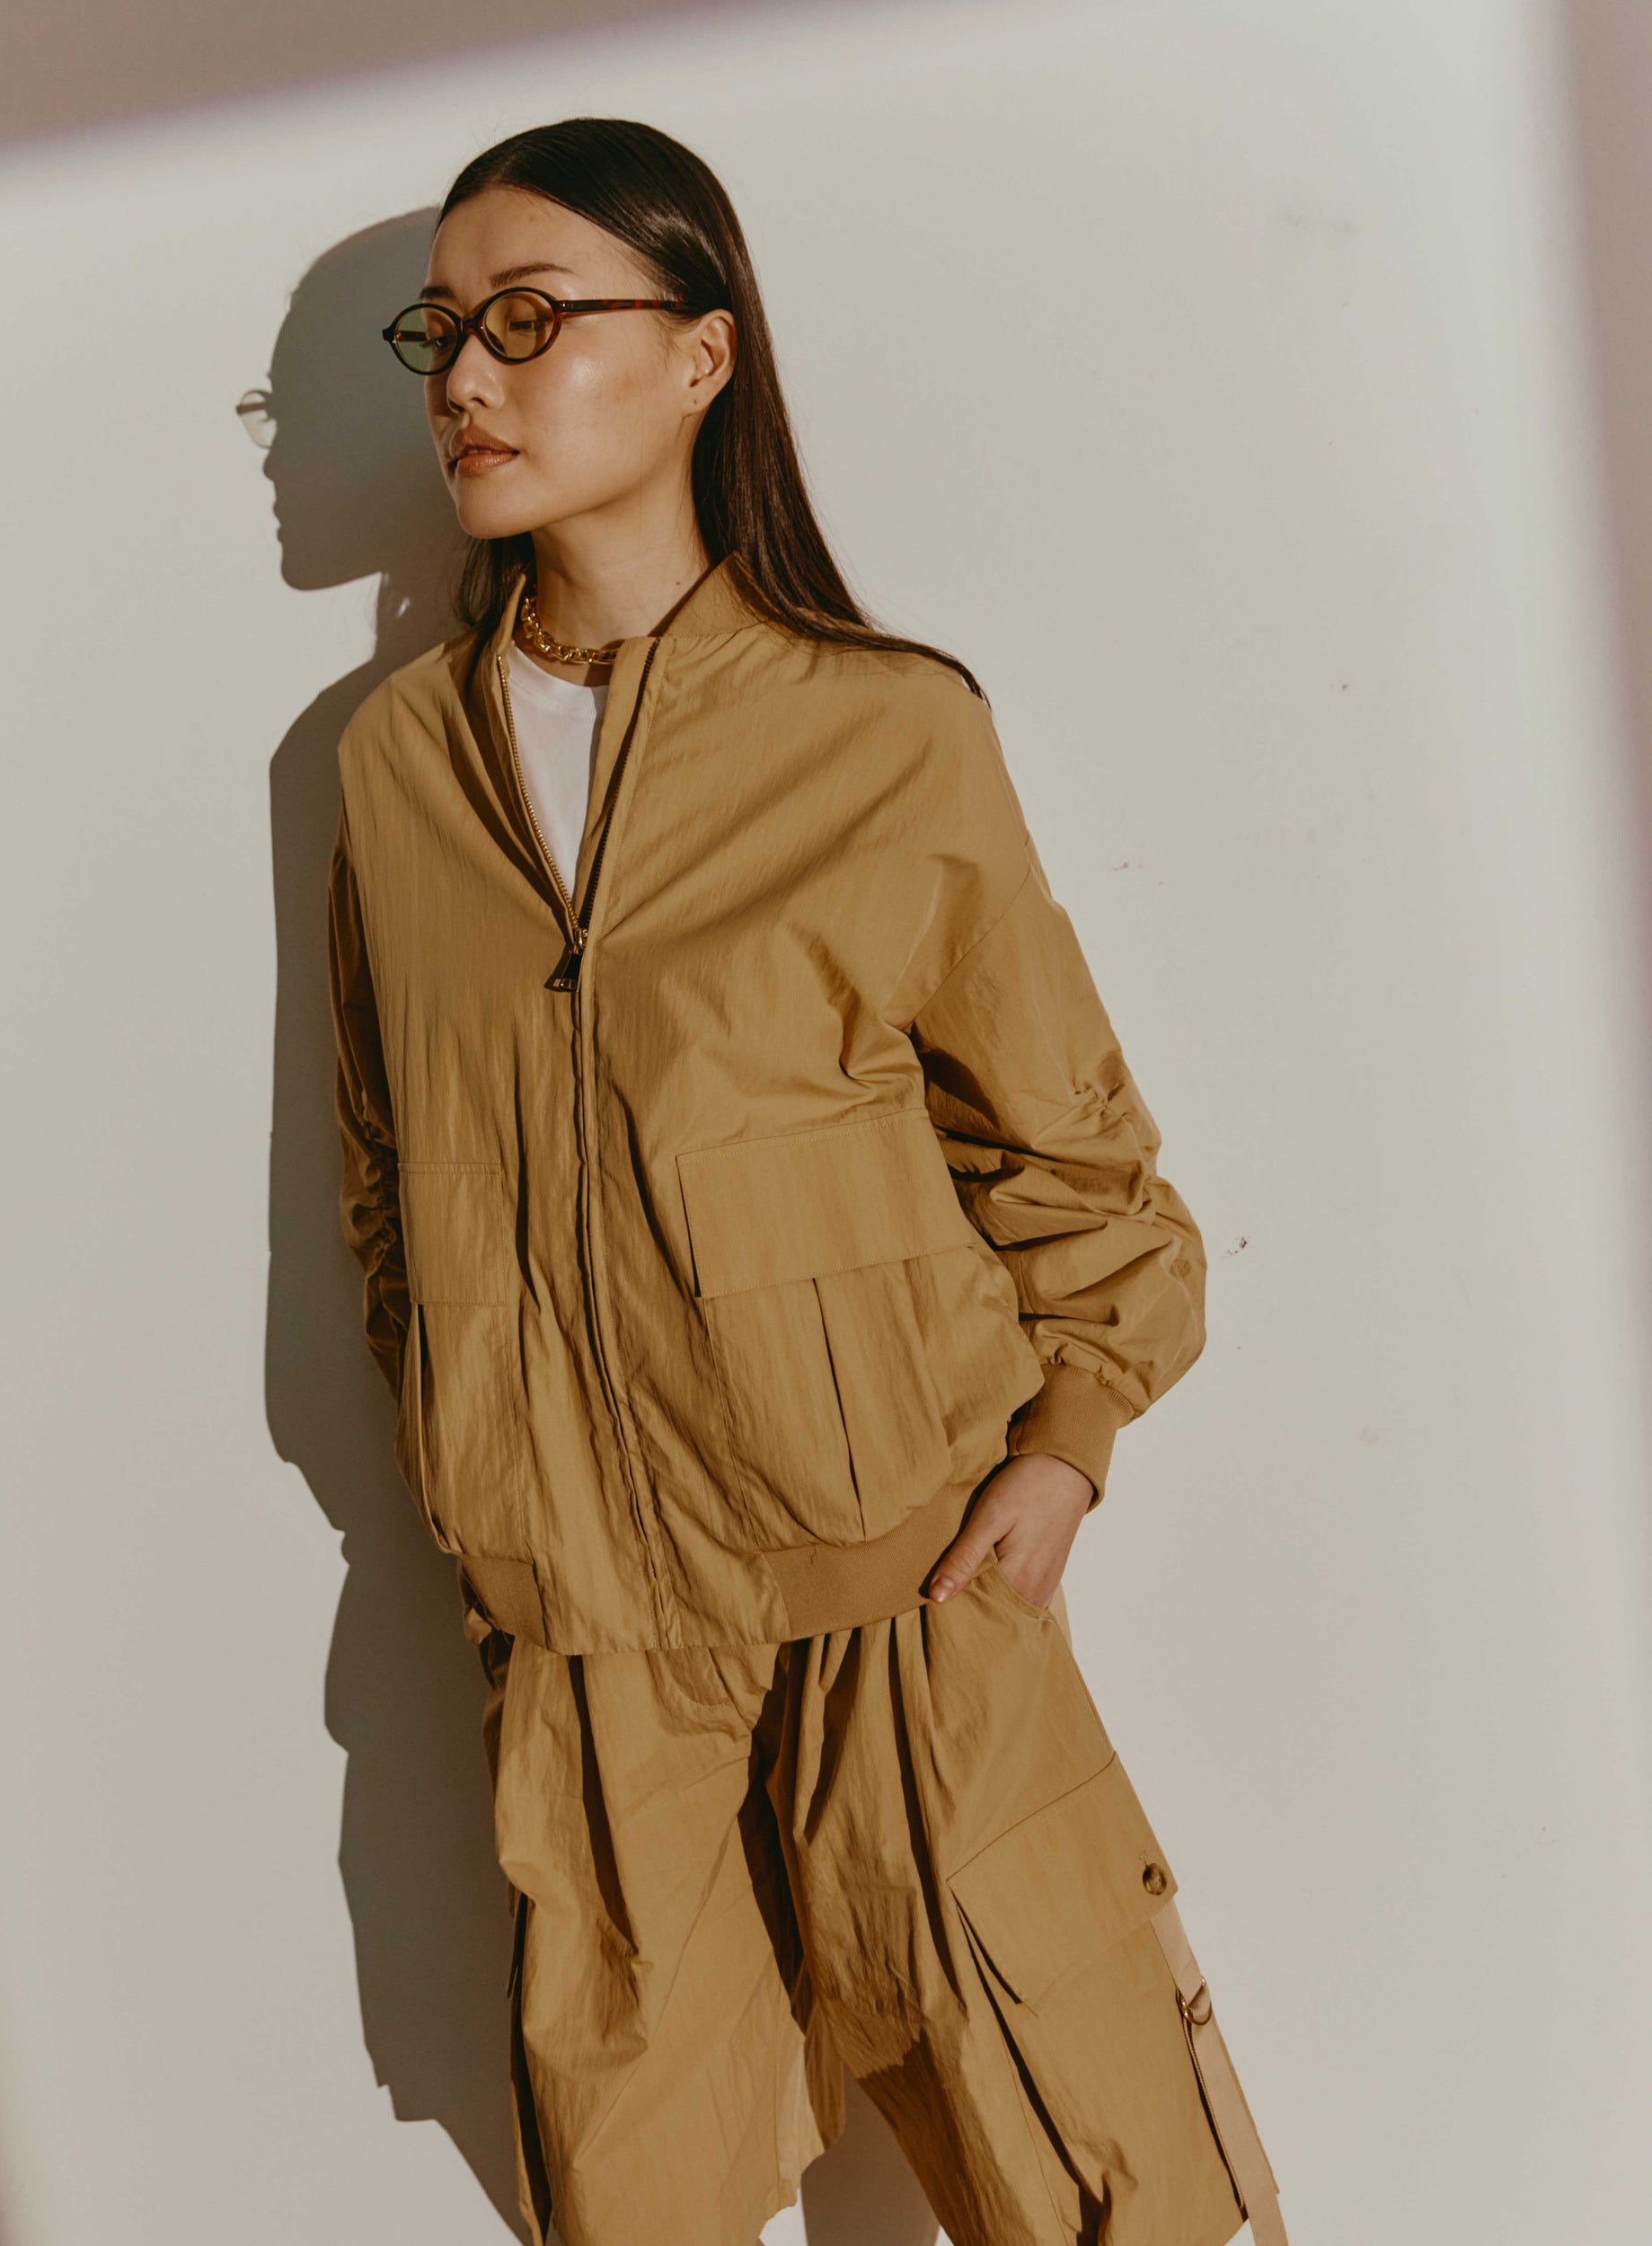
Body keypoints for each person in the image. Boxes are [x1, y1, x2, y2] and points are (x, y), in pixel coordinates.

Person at [329, 114, 1283, 2246]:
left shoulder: (883, 730)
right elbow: (387, 1175)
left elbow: (1075, 1160)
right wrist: (474, 1452)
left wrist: (1067, 1442)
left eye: (526, 319)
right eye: (439, 331)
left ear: (701, 355)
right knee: (631, 2202)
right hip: (589, 1649)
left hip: (906, 1592)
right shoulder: (395, 767)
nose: (463, 378)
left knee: (1103, 2185)